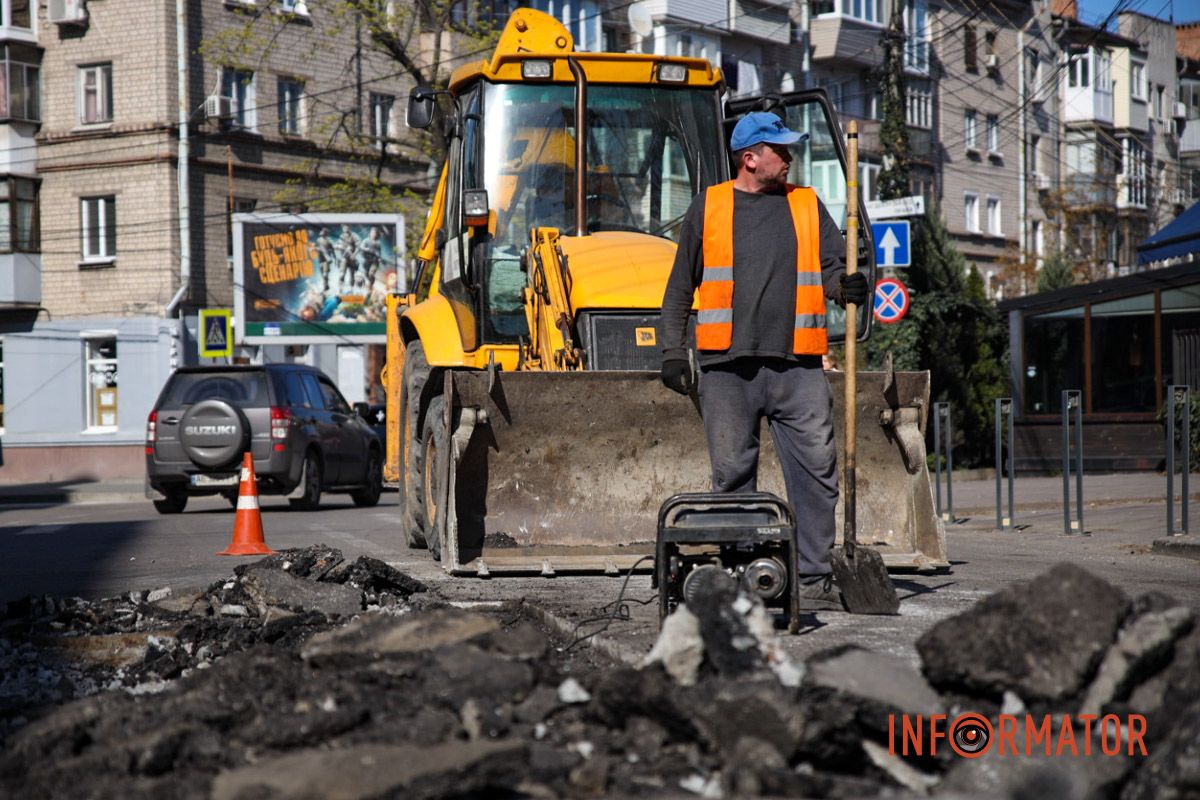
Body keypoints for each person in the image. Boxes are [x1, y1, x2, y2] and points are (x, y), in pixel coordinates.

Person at [658, 111, 870, 611]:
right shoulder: (708, 207)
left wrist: (849, 287)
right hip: (728, 368)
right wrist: (671, 350)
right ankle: (746, 576)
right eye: (781, 148)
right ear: (750, 158)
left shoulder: (806, 204)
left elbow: (835, 270)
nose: (790, 155)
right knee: (732, 478)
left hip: (798, 365)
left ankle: (814, 577)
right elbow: (679, 288)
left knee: (818, 470)